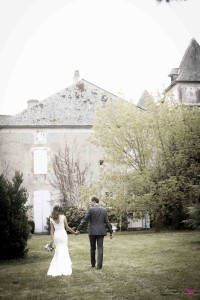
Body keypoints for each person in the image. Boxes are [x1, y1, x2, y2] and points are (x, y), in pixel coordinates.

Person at [76, 196, 113, 270]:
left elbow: (84, 220)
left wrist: (78, 229)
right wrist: (111, 231)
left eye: (90, 201)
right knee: (100, 247)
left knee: (92, 248)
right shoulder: (104, 210)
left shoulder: (90, 209)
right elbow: (107, 222)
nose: (90, 203)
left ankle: (93, 264)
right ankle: (99, 266)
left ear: (94, 201)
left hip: (92, 232)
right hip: (101, 231)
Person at [47, 204, 77, 276]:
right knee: (64, 249)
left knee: (58, 251)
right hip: (63, 235)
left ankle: (58, 266)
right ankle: (64, 267)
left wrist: (52, 240)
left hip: (56, 235)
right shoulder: (63, 217)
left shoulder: (51, 219)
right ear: (60, 210)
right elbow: (67, 228)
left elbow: (51, 231)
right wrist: (74, 232)